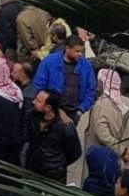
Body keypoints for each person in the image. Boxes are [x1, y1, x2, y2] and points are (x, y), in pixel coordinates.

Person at [32, 37, 96, 183]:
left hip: (73, 114)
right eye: (77, 51)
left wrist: (80, 110)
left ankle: (59, 180)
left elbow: (91, 91)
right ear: (67, 48)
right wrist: (57, 111)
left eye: (82, 51)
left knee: (65, 149)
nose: (80, 54)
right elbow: (39, 87)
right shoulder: (49, 62)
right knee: (47, 147)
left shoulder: (85, 66)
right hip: (49, 113)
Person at [88, 67, 129, 174]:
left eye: (99, 82)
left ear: (102, 83)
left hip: (105, 161)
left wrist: (122, 151)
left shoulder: (101, 104)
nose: (97, 86)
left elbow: (102, 134)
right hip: (128, 162)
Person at [25, 90, 81, 183]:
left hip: (53, 178)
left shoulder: (65, 128)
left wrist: (57, 165)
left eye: (38, 100)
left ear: (48, 107)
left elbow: (75, 153)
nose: (33, 101)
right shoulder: (33, 116)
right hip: (32, 172)